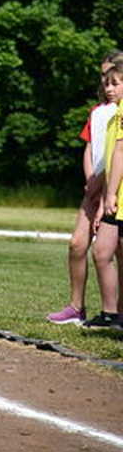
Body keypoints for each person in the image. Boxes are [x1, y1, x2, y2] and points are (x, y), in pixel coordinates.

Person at [47, 50, 123, 325]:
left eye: (112, 77)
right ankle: (76, 307)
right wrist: (91, 179)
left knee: (111, 252)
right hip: (94, 189)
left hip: (111, 190)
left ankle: (115, 313)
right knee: (77, 244)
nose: (106, 84)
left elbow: (118, 154)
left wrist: (105, 191)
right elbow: (91, 147)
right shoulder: (98, 112)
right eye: (103, 77)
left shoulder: (120, 112)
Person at [82, 60, 123, 329]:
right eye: (106, 84)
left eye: (116, 84)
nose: (109, 88)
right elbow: (110, 160)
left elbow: (121, 154)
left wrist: (110, 196)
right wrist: (103, 201)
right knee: (102, 251)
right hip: (113, 198)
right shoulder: (114, 116)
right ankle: (111, 314)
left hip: (119, 197)